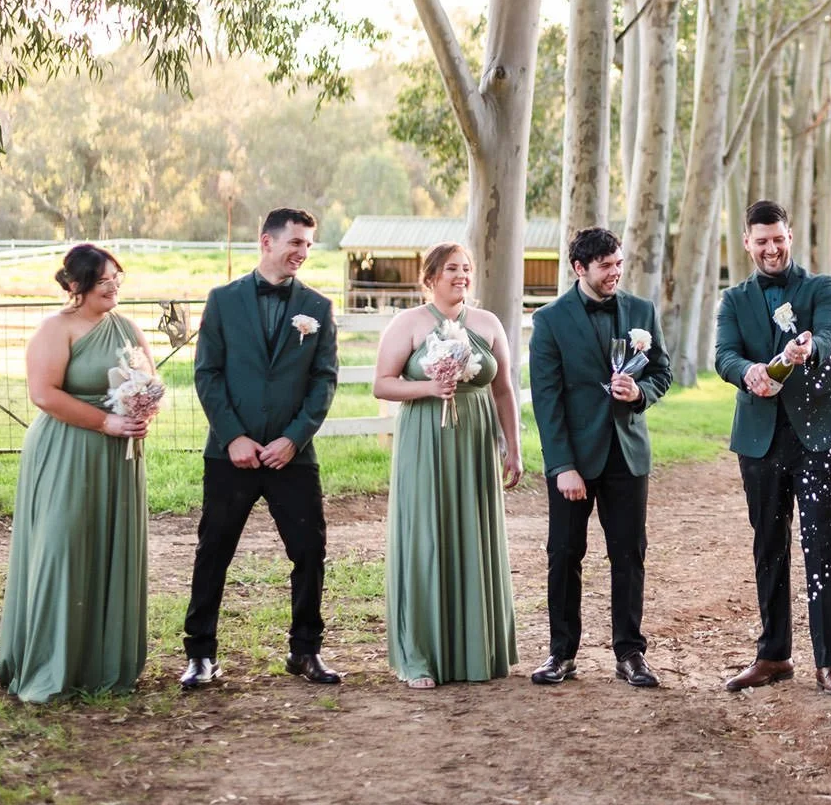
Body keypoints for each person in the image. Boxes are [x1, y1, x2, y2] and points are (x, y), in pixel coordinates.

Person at [180, 207, 342, 689]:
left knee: (310, 550)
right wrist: (233, 437)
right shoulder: (223, 300)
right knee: (214, 550)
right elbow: (207, 373)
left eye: (309, 244)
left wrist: (293, 439)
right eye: (295, 242)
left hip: (292, 457)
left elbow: (324, 381)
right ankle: (201, 656)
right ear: (266, 241)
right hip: (231, 454)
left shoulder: (318, 307)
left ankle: (306, 651)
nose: (303, 253)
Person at [0, 245, 158, 702]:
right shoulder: (55, 329)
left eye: (117, 279)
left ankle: (101, 664)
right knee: (62, 546)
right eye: (103, 280)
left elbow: (148, 380)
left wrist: (145, 410)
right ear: (75, 285)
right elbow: (43, 394)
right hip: (66, 449)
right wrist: (105, 421)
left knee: (110, 547)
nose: (113, 287)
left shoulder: (126, 327)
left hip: (119, 456)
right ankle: (50, 665)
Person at [715, 199, 831, 696]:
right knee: (768, 546)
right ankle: (773, 655)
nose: (771, 248)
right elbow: (724, 355)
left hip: (816, 435)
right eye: (762, 241)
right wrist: (748, 371)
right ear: (748, 243)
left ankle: (830, 663)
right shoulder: (733, 300)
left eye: (778, 239)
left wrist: (810, 348)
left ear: (790, 236)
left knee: (823, 545)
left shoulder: (821, 287)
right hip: (758, 440)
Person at [526, 227, 672, 689]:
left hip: (627, 455)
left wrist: (639, 393)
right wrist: (561, 466)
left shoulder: (641, 311)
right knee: (564, 554)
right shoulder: (549, 320)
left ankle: (630, 654)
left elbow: (662, 372)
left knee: (629, 555)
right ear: (579, 269)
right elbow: (546, 401)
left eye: (619, 263)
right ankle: (561, 654)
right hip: (573, 458)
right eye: (606, 266)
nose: (616, 273)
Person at [375, 241, 524, 688]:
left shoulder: (488, 323)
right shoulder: (410, 324)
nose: (461, 276)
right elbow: (382, 385)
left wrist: (512, 446)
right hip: (426, 438)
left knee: (473, 535)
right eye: (452, 269)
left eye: (467, 269)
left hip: (475, 440)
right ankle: (421, 655)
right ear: (431, 276)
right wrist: (427, 389)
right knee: (427, 535)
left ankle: (477, 650)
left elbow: (502, 390)